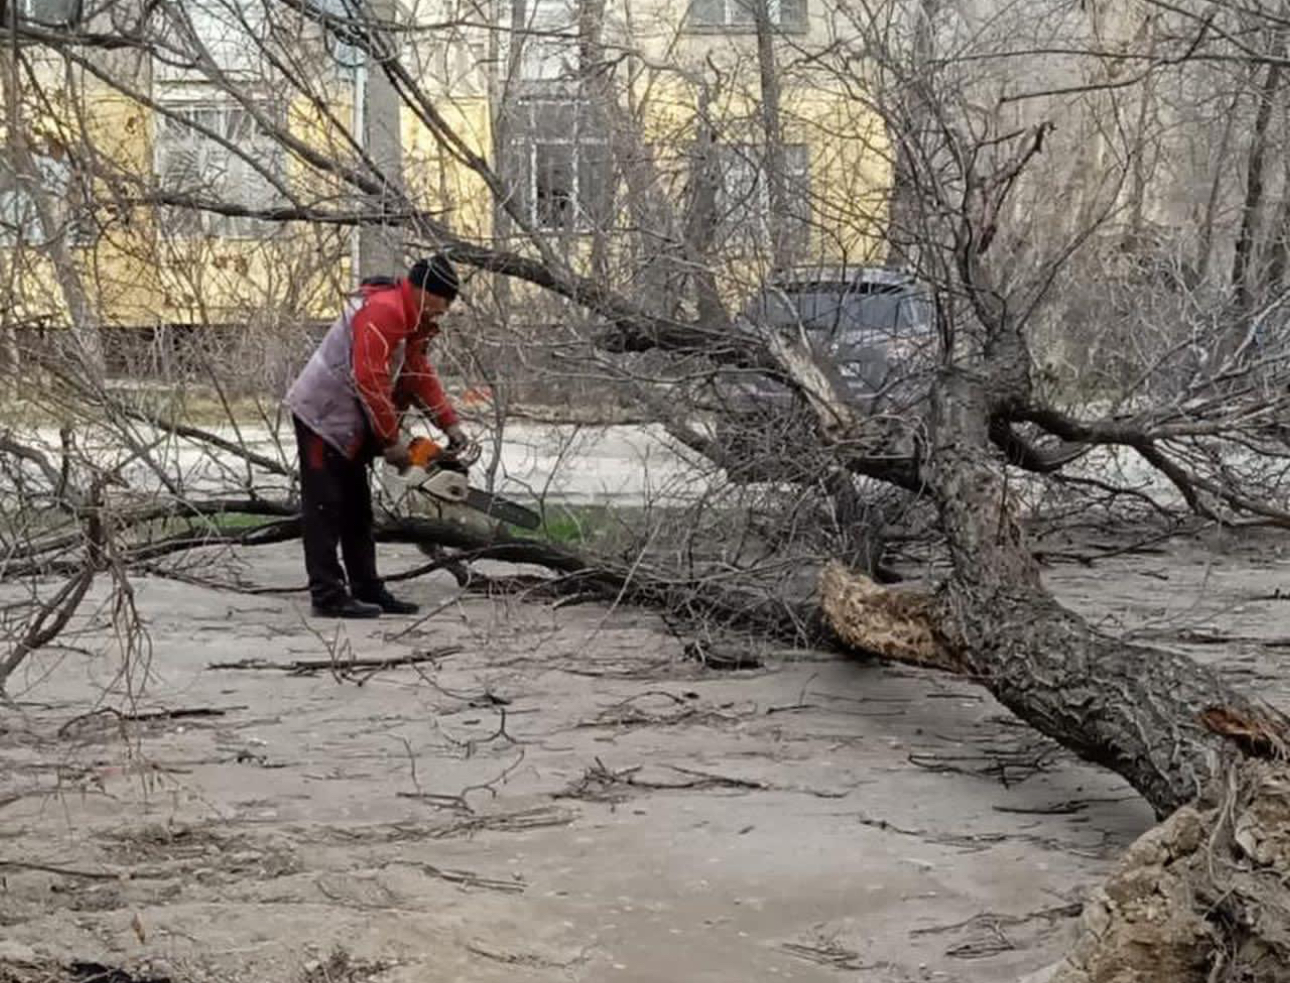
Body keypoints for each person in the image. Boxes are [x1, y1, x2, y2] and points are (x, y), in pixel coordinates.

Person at [285, 254, 470, 618]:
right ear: (423, 292)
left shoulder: (413, 320)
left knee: (357, 508)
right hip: (322, 415)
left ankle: (367, 585)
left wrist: (449, 423)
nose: (446, 309)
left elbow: (417, 372)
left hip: (351, 420)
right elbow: (370, 379)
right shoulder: (384, 311)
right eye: (443, 300)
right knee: (324, 506)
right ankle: (327, 594)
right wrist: (390, 442)